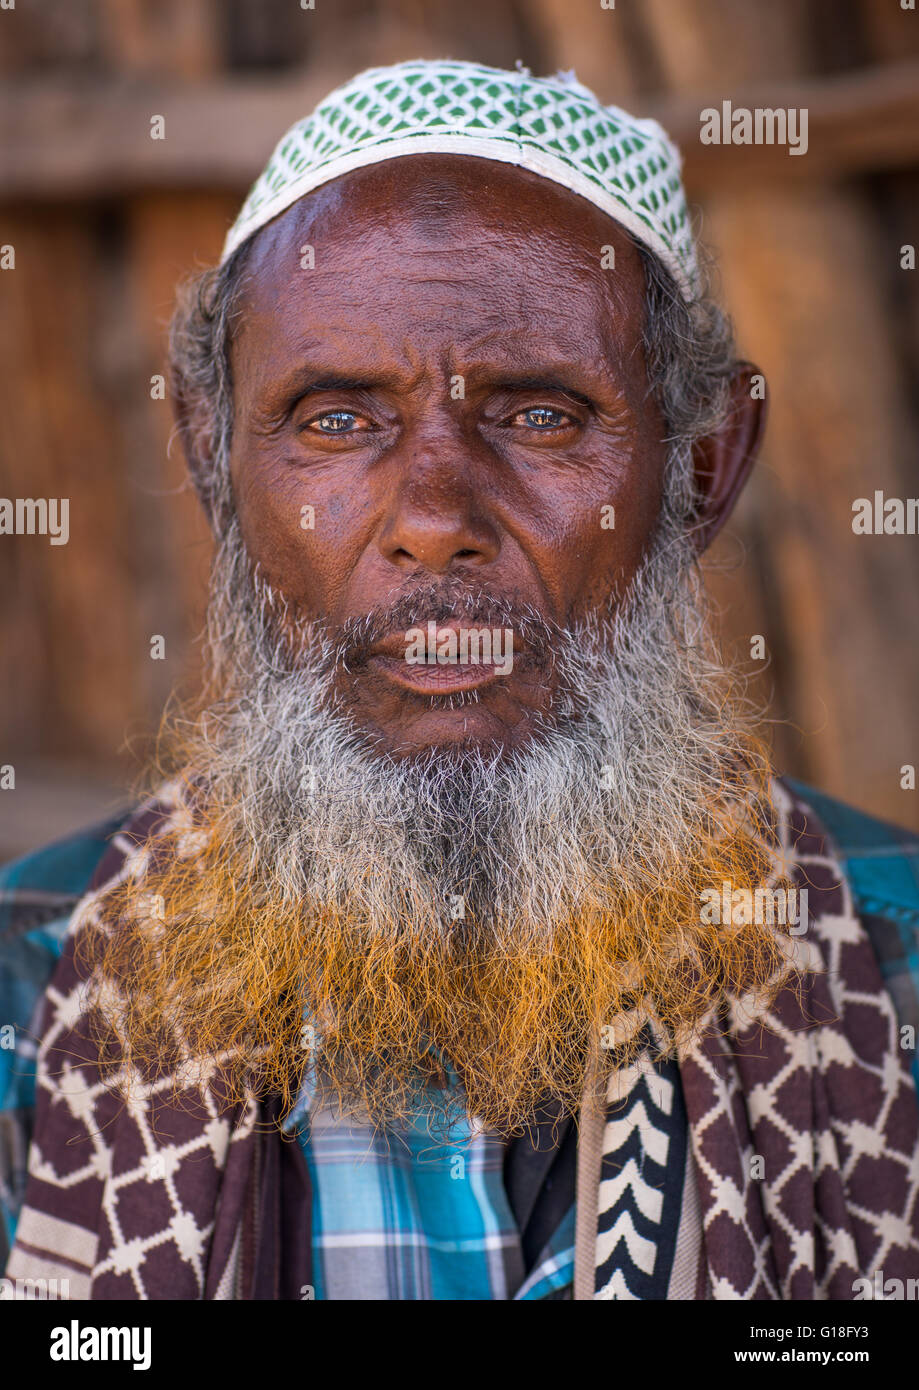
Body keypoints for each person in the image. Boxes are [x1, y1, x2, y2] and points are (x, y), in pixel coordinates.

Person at [2, 59, 918, 1301]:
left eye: (540, 414)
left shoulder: (892, 967)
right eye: (336, 418)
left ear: (703, 463)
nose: (434, 519)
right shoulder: (32, 990)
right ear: (212, 455)